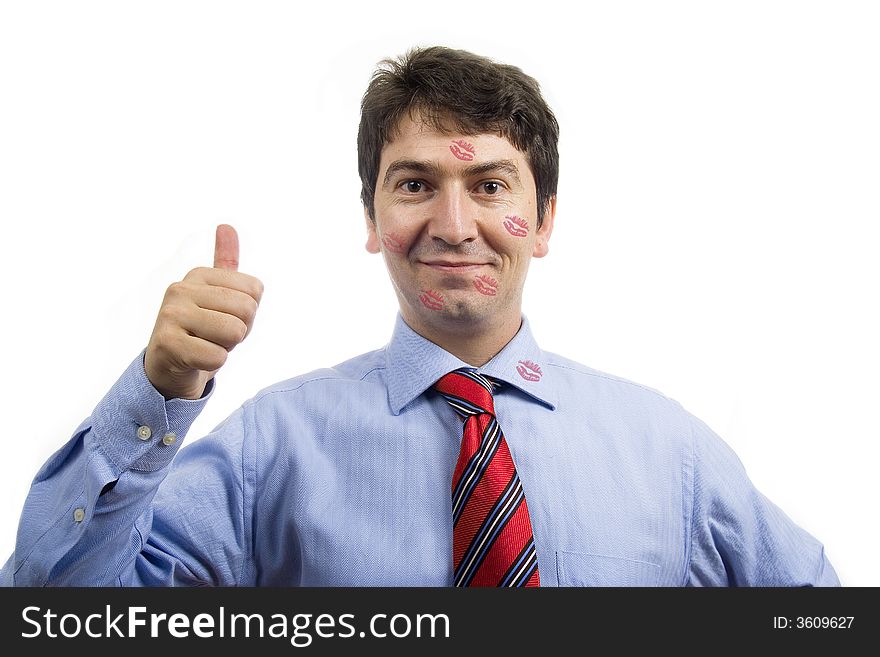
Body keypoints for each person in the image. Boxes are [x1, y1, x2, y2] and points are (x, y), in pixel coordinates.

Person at [1, 46, 838, 587]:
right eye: (414, 184)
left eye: (489, 186)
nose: (452, 223)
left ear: (543, 221)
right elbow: (58, 617)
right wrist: (158, 389)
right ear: (371, 220)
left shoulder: (672, 454)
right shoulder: (271, 451)